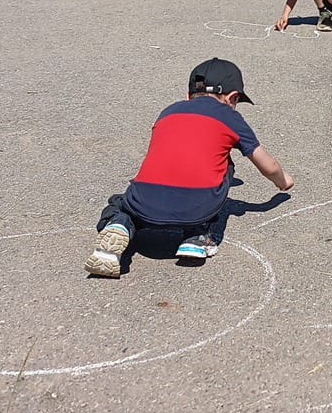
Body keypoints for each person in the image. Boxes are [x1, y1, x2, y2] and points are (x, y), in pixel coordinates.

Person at [84, 58, 294, 278]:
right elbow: (268, 166)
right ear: (232, 97)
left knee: (121, 206)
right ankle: (197, 235)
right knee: (225, 166)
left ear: (188, 95)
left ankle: (119, 225)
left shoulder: (168, 111)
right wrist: (283, 181)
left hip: (143, 202)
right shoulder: (230, 116)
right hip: (195, 210)